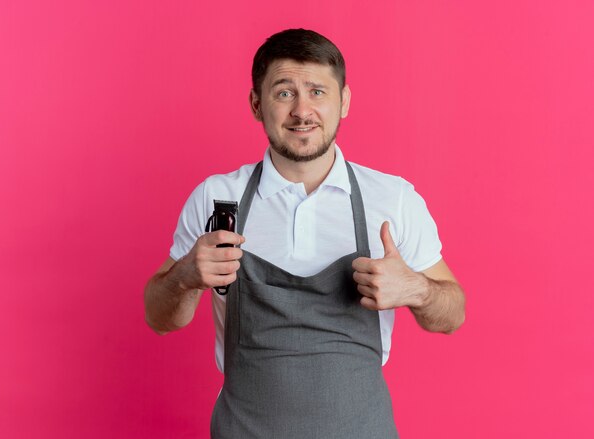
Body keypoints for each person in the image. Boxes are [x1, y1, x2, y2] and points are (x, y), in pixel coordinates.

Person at [144, 28, 465, 439]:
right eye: (283, 93)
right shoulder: (216, 198)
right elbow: (159, 318)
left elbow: (452, 315)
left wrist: (417, 289)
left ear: (343, 102)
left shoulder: (393, 199)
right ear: (257, 104)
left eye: (317, 92)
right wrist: (186, 276)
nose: (301, 110)